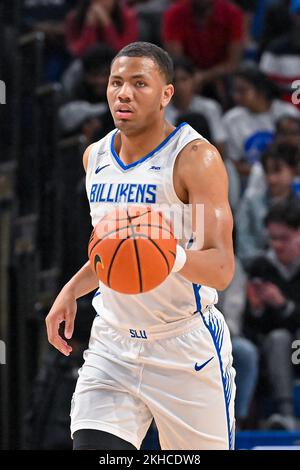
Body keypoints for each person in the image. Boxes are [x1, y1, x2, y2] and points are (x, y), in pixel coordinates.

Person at [46, 42, 236, 450]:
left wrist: (169, 254)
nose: (123, 93)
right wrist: (70, 290)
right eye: (116, 83)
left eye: (139, 83)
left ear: (166, 94)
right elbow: (115, 253)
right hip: (112, 345)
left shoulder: (194, 160)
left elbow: (220, 267)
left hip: (184, 348)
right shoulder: (94, 158)